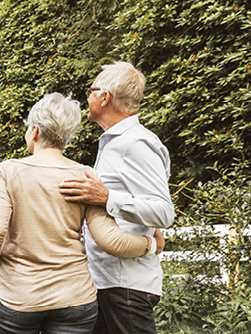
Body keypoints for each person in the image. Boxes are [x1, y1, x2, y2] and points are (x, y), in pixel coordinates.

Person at [0, 93, 157, 334]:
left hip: (18, 296)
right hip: (75, 299)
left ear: (34, 132)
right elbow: (110, 241)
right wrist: (151, 243)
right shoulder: (85, 176)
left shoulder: (7, 171)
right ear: (66, 138)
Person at [59, 61, 174, 334]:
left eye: (91, 90)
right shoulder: (114, 142)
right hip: (105, 282)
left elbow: (164, 212)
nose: (87, 96)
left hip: (127, 287)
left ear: (104, 97)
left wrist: (106, 197)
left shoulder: (135, 144)